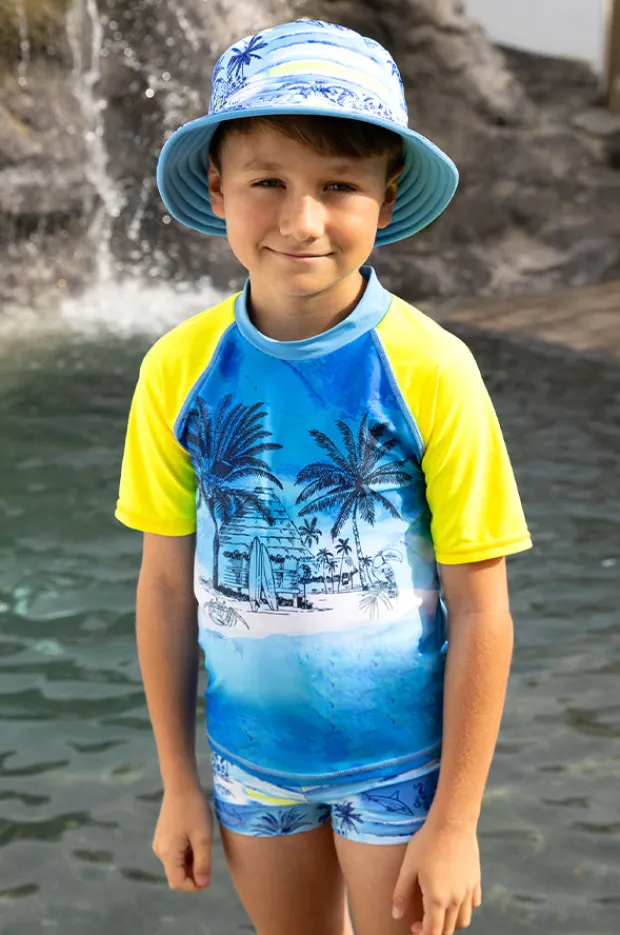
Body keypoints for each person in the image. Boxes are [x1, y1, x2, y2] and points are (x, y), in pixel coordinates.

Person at [115, 18, 532, 935]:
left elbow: (481, 606)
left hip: (401, 771)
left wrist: (456, 821)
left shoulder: (431, 369)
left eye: (338, 185)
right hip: (251, 768)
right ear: (218, 189)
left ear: (385, 198)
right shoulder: (177, 370)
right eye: (267, 182)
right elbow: (166, 586)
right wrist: (179, 782)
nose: (301, 220)